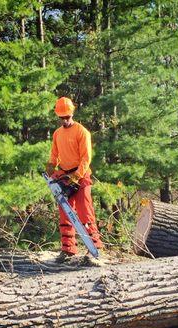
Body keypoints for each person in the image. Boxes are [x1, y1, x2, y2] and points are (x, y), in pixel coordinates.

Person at [46, 96, 103, 262]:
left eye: (67, 117)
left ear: (72, 113)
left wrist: (77, 176)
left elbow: (86, 158)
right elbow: (54, 155)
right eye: (61, 117)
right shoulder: (57, 134)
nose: (64, 120)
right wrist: (51, 166)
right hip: (64, 175)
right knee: (65, 213)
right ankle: (68, 249)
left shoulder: (82, 132)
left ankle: (95, 247)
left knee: (85, 212)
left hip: (81, 175)